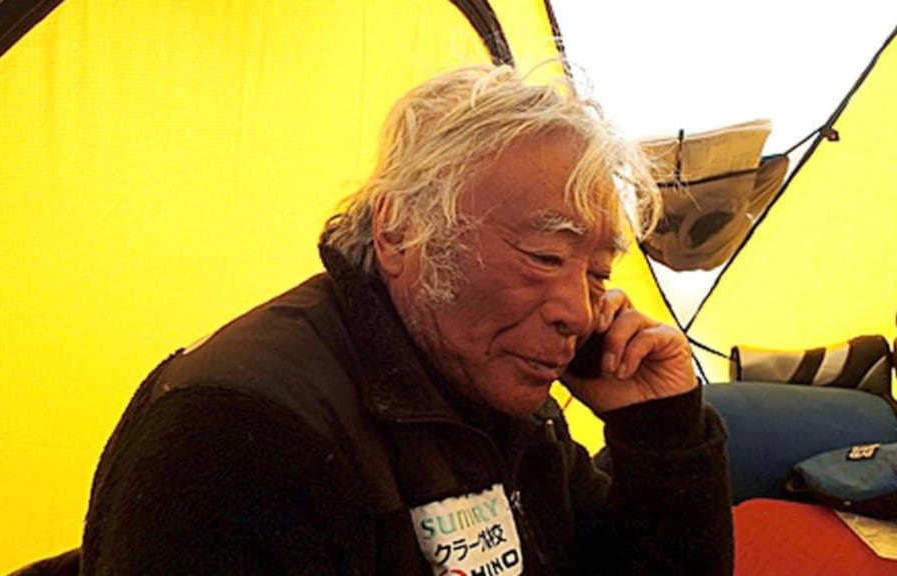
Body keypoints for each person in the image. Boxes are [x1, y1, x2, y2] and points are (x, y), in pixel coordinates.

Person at [80, 64, 733, 575]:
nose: (578, 313)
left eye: (597, 274)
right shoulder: (239, 432)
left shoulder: (499, 396)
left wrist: (659, 431)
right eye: (544, 255)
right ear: (400, 232)